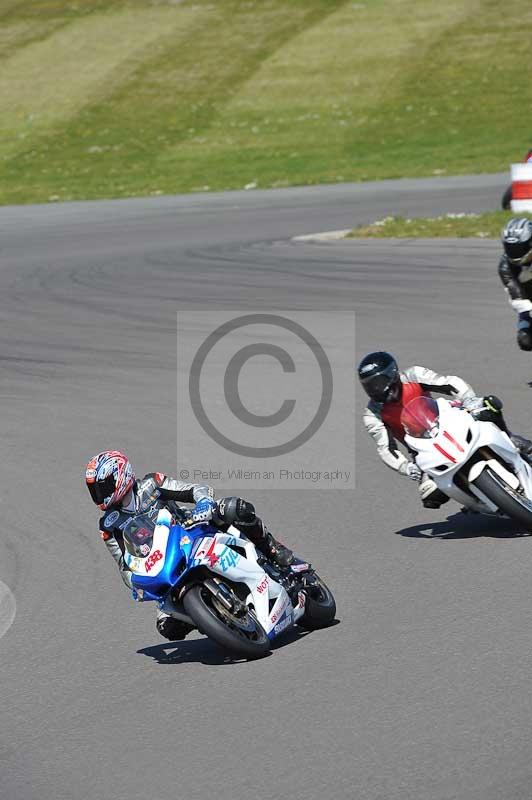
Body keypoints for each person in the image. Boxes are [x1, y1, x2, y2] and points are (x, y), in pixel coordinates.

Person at [85, 450, 293, 640]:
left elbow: (193, 490)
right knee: (168, 627)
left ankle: (272, 548)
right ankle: (215, 616)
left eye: (102, 486)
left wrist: (203, 503)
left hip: (192, 530)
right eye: (94, 489)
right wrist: (136, 581)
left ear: (120, 475)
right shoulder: (108, 525)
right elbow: (124, 564)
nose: (99, 494)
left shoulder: (151, 484)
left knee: (232, 509)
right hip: (164, 565)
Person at [357, 352, 532, 509]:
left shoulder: (413, 375)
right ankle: (476, 498)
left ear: (392, 374)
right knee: (431, 496)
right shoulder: (372, 414)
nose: (376, 390)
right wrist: (406, 467)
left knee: (489, 405)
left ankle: (509, 438)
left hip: (446, 420)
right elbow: (386, 449)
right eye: (370, 386)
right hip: (421, 449)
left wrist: (469, 400)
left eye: (378, 383)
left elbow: (449, 383)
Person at [499, 217, 532, 351]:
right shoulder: (505, 267)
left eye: (519, 248)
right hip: (529, 302)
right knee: (525, 340)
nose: (515, 252)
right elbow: (518, 299)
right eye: (511, 248)